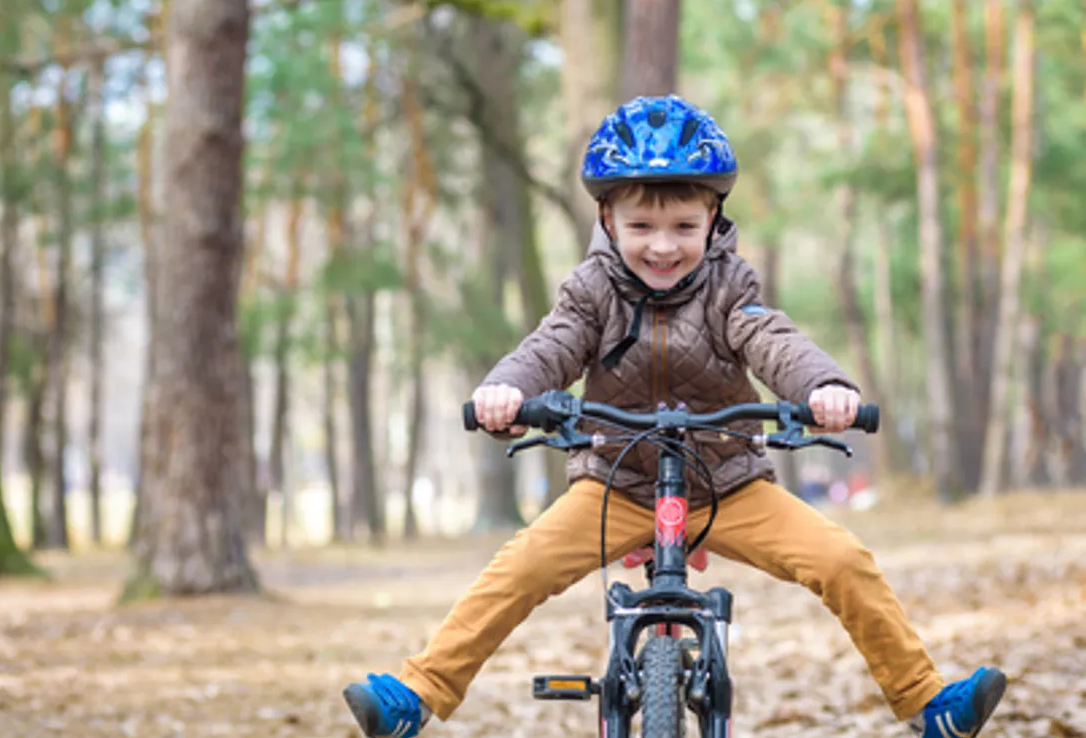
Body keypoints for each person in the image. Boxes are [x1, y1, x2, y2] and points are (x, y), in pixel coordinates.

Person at [340, 95, 1005, 738]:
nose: (663, 246)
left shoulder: (728, 287)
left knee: (840, 559)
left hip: (727, 485)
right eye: (641, 228)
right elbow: (551, 346)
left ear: (713, 221)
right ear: (606, 221)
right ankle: (417, 696)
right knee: (518, 569)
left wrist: (825, 386)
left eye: (684, 227)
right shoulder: (590, 293)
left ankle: (926, 704)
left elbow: (771, 340)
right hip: (615, 485)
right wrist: (505, 391)